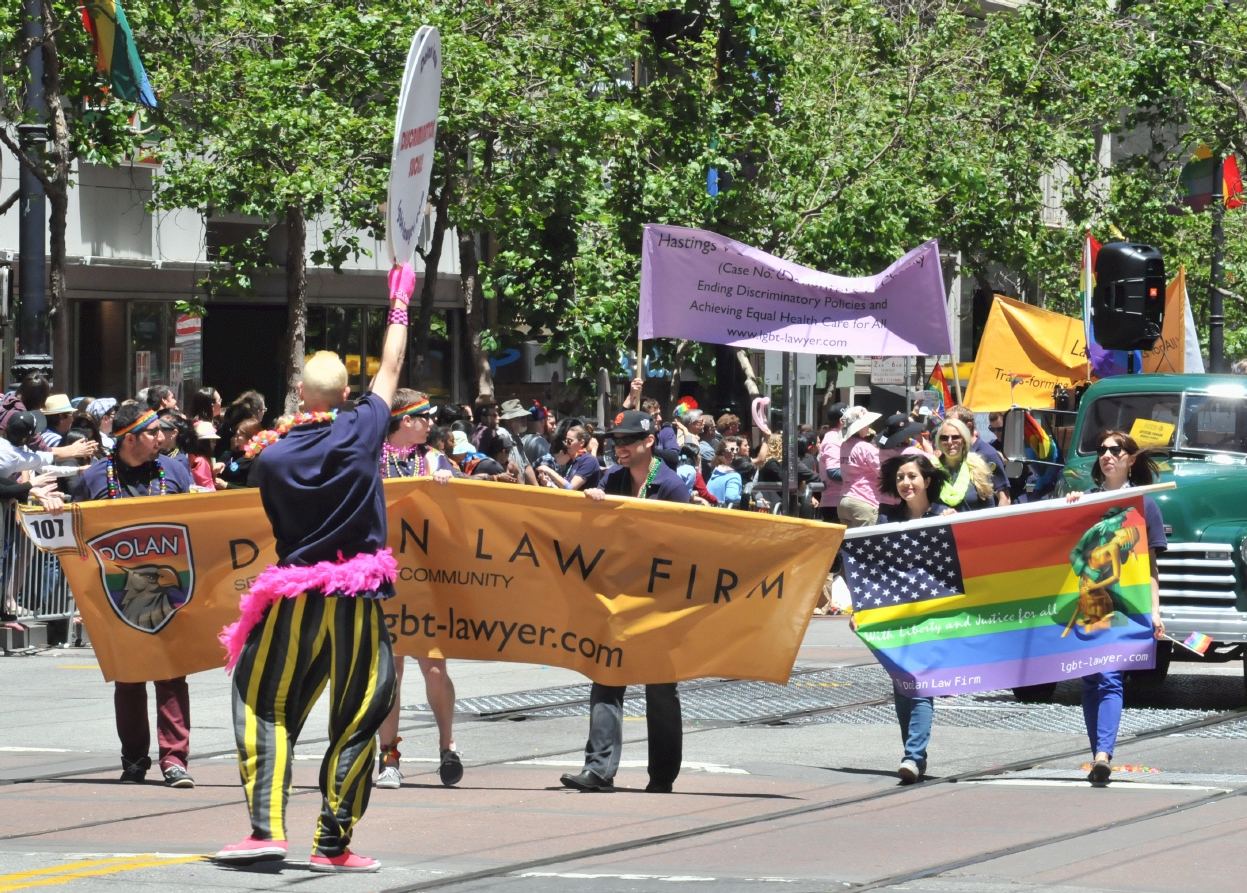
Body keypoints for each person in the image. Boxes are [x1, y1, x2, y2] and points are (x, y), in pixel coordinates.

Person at [215, 265, 413, 872]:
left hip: (295, 598)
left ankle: (265, 826)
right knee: (359, 714)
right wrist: (398, 301)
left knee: (260, 701)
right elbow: (393, 364)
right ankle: (333, 844)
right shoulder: (364, 429)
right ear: (346, 396)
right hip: (355, 600)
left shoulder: (269, 457)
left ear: (302, 397)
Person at [561, 410, 687, 794]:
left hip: (658, 603)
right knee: (606, 678)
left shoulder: (670, 486)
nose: (620, 448)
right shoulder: (610, 479)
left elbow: (681, 546)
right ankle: (598, 770)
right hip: (615, 599)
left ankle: (662, 776)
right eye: (616, 442)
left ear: (650, 442)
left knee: (660, 688)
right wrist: (591, 507)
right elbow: (588, 534)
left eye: (628, 441)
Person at [70, 402, 196, 788]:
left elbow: (195, 526)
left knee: (171, 674)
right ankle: (135, 758)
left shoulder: (175, 471)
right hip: (117, 597)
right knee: (128, 678)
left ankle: (175, 760)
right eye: (154, 431)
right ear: (130, 438)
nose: (163, 437)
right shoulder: (93, 479)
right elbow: (74, 536)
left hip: (169, 594)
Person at [374, 389, 463, 791]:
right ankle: (389, 757)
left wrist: (450, 483)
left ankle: (448, 746)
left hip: (428, 577)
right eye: (424, 416)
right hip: (386, 577)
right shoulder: (371, 457)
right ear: (404, 420)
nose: (431, 423)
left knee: (434, 667)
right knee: (389, 671)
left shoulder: (433, 459)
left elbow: (469, 503)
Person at [1066, 430, 1166, 786]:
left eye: (1116, 450)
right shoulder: (1087, 502)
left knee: (1109, 676)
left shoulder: (1144, 504)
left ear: (1131, 459)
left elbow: (1151, 567)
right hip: (1091, 600)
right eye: (1102, 450)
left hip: (1126, 604)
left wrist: (1155, 611)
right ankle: (1099, 756)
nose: (1108, 455)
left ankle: (1103, 754)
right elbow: (1067, 547)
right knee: (1091, 677)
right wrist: (1071, 505)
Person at [947, 405, 1010, 506]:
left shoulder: (988, 454)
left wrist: (996, 521)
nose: (948, 430)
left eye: (954, 426)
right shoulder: (954, 455)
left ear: (969, 426)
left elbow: (1004, 499)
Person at [934, 418, 995, 512]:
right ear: (939, 442)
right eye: (944, 438)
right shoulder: (931, 470)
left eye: (955, 437)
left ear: (964, 441)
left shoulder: (978, 467)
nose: (949, 442)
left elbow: (989, 508)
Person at [837, 406, 883, 527]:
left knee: (848, 544)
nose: (868, 426)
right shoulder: (865, 447)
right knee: (868, 543)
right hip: (864, 500)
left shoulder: (844, 446)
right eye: (866, 424)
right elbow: (883, 472)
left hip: (844, 499)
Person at [537, 425, 601, 490]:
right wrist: (549, 484)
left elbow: (570, 488)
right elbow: (565, 491)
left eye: (570, 441)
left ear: (581, 443)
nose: (566, 444)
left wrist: (549, 471)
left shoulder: (589, 460)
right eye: (566, 441)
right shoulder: (572, 460)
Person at [817, 404, 847, 522]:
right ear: (841, 421)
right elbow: (833, 472)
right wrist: (858, 473)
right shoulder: (833, 439)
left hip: (840, 501)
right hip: (834, 503)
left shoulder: (839, 437)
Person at [498, 399, 538, 484]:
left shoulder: (517, 437)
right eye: (520, 417)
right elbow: (511, 466)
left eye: (525, 417)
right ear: (507, 420)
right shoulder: (502, 434)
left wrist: (538, 492)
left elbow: (527, 467)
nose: (524, 420)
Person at [216, 419, 263, 489]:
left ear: (250, 437)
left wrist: (226, 485)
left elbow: (252, 490)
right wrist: (222, 465)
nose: (236, 439)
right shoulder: (237, 454)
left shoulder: (257, 459)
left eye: (238, 435)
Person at [706, 439, 743, 508]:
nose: (735, 452)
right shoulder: (733, 476)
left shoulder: (715, 470)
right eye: (732, 449)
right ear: (723, 452)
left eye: (737, 449)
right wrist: (747, 499)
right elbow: (732, 497)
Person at [187, 421, 222, 490]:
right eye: (212, 441)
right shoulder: (201, 462)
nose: (215, 444)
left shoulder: (191, 456)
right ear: (204, 443)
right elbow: (207, 486)